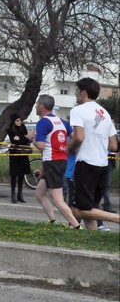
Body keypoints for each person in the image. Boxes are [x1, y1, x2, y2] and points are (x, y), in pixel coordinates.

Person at [67, 77, 119, 230]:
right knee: (89, 208)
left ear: (83, 93)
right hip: (103, 165)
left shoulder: (77, 110)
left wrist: (70, 147)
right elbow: (113, 144)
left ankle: (116, 218)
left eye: (76, 91)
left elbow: (79, 137)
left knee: (77, 210)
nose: (75, 94)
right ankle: (93, 238)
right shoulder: (105, 114)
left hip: (86, 164)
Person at [32, 95, 82, 228]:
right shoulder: (61, 122)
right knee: (39, 193)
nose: (36, 107)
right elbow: (75, 136)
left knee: (57, 199)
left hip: (52, 163)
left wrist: (31, 139)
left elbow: (41, 146)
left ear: (41, 106)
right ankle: (53, 222)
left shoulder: (42, 122)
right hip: (59, 161)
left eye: (37, 104)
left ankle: (77, 226)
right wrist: (67, 148)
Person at [6, 113, 34, 203]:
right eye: (17, 120)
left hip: (23, 153)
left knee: (22, 174)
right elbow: (14, 141)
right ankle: (13, 195)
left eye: (20, 120)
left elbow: (26, 140)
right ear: (13, 121)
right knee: (14, 175)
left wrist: (22, 138)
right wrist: (24, 138)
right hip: (14, 154)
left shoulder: (23, 127)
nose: (19, 122)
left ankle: (20, 195)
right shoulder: (10, 129)